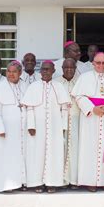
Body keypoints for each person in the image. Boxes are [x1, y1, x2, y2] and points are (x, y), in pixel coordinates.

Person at [71, 52, 104, 192]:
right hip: (90, 119)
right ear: (93, 63)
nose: (101, 66)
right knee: (89, 149)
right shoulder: (84, 77)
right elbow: (79, 96)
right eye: (98, 63)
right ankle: (90, 181)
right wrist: (92, 108)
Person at [21, 60, 70, 193]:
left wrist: (63, 127)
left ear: (53, 71)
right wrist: (31, 125)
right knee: (36, 154)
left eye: (48, 69)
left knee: (54, 154)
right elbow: (29, 107)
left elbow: (64, 108)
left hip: (55, 127)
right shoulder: (33, 87)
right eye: (43, 69)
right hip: (37, 128)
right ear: (40, 71)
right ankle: (37, 182)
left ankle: (52, 182)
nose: (45, 72)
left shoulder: (59, 87)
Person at [0, 61, 29, 193]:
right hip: (6, 130)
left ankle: (22, 182)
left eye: (14, 72)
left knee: (22, 156)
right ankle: (7, 184)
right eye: (8, 72)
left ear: (20, 73)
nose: (11, 74)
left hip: (23, 129)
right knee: (7, 158)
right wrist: (0, 129)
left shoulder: (26, 86)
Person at [54, 58, 80, 188]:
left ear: (75, 69)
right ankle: (61, 180)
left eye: (72, 68)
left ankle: (74, 180)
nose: (69, 70)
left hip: (76, 120)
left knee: (75, 151)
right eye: (66, 68)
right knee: (60, 150)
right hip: (60, 120)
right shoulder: (56, 83)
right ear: (62, 69)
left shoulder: (80, 82)